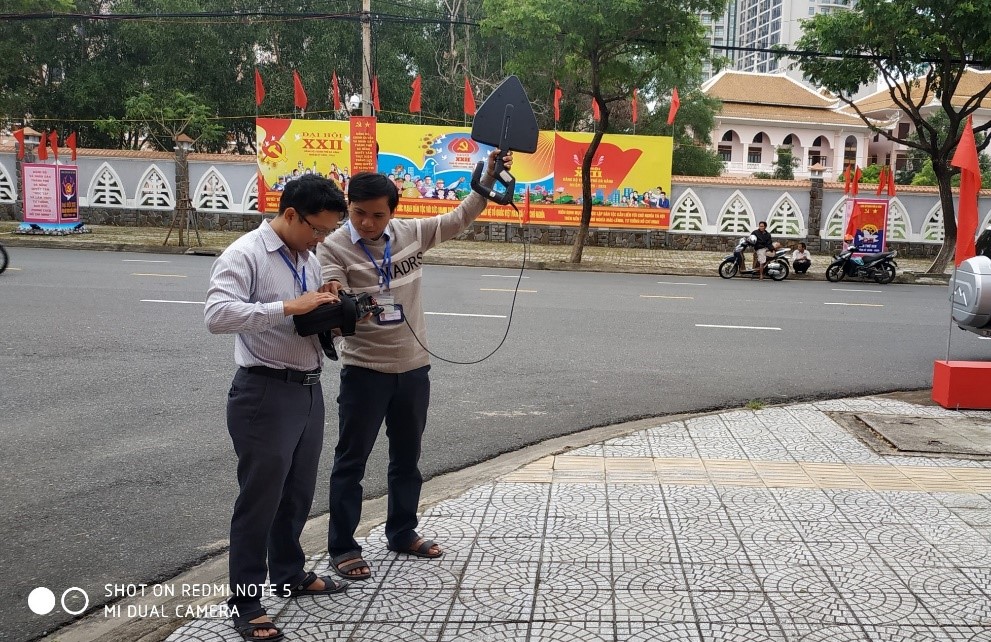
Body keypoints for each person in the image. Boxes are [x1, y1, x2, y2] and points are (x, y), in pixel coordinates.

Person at [317, 149, 512, 581]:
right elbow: (332, 288)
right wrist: (342, 300)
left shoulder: (410, 233)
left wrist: (489, 178)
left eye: (377, 215)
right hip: (365, 370)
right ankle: (343, 547)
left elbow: (457, 219)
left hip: (413, 367)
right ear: (348, 207)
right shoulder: (332, 247)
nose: (367, 223)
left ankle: (403, 532)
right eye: (358, 213)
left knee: (407, 458)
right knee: (351, 461)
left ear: (393, 212)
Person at [205, 175, 350, 642]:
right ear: (290, 214)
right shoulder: (245, 254)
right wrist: (286, 306)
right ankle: (246, 604)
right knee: (259, 502)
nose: (321, 239)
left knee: (297, 493)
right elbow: (216, 315)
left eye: (327, 232)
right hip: (264, 393)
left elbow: (304, 321)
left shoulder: (306, 258)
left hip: (308, 390)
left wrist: (333, 313)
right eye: (317, 229)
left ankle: (290, 573)